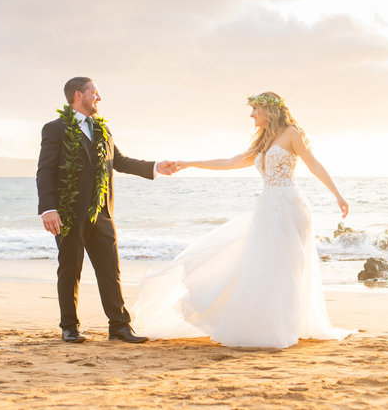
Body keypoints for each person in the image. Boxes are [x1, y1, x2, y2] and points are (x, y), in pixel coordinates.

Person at [134, 91, 351, 348]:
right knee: (265, 266)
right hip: (267, 207)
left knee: (287, 267)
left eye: (254, 109)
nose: (251, 115)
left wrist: (337, 194)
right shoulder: (263, 141)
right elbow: (230, 162)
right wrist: (190, 163)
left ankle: (285, 327)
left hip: (290, 207)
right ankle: (267, 325)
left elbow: (313, 164)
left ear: (268, 110)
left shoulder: (292, 133)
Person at [37, 77, 176, 344]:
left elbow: (119, 161)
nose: (99, 98)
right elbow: (45, 170)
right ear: (78, 95)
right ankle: (69, 327)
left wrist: (157, 166)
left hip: (103, 213)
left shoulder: (102, 129)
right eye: (95, 93)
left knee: (110, 270)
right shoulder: (54, 129)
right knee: (70, 269)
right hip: (68, 213)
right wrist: (48, 209)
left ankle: (120, 327)